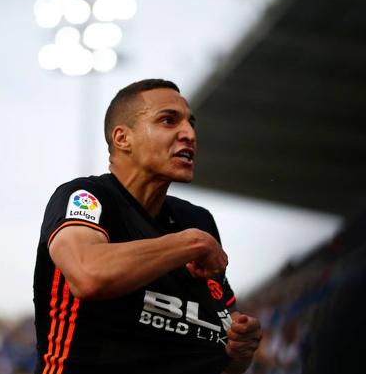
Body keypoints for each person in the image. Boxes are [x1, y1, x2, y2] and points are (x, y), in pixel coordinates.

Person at [33, 79, 261, 374]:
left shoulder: (198, 221)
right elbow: (88, 274)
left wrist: (241, 349)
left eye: (192, 124)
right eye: (168, 120)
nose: (189, 134)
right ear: (122, 138)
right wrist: (192, 243)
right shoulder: (85, 196)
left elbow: (224, 354)